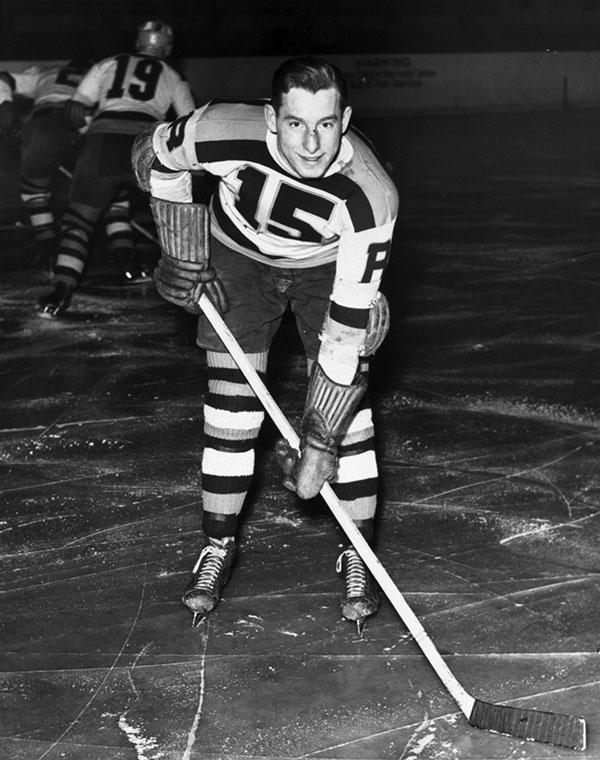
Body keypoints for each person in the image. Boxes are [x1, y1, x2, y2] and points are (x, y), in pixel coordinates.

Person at [132, 56, 399, 634]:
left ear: (345, 119)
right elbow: (153, 157)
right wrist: (180, 246)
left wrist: (321, 438)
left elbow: (346, 333)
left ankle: (357, 551)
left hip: (325, 267)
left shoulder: (369, 198)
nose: (310, 143)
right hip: (238, 257)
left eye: (326, 125)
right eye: (296, 124)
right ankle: (217, 547)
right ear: (272, 119)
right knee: (231, 408)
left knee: (350, 422)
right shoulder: (219, 128)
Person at [37, 19, 196, 318]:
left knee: (80, 220)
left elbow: (73, 109)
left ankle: (61, 289)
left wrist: (86, 135)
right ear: (168, 48)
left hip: (104, 142)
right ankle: (139, 268)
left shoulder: (109, 63)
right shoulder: (173, 75)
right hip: (145, 146)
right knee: (147, 214)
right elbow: (188, 125)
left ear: (137, 43)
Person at [0, 59, 136, 275]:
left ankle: (47, 248)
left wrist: (6, 110)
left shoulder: (45, 73)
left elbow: (2, 78)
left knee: (34, 187)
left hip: (45, 124)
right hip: (87, 123)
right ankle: (124, 254)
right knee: (110, 188)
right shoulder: (102, 76)